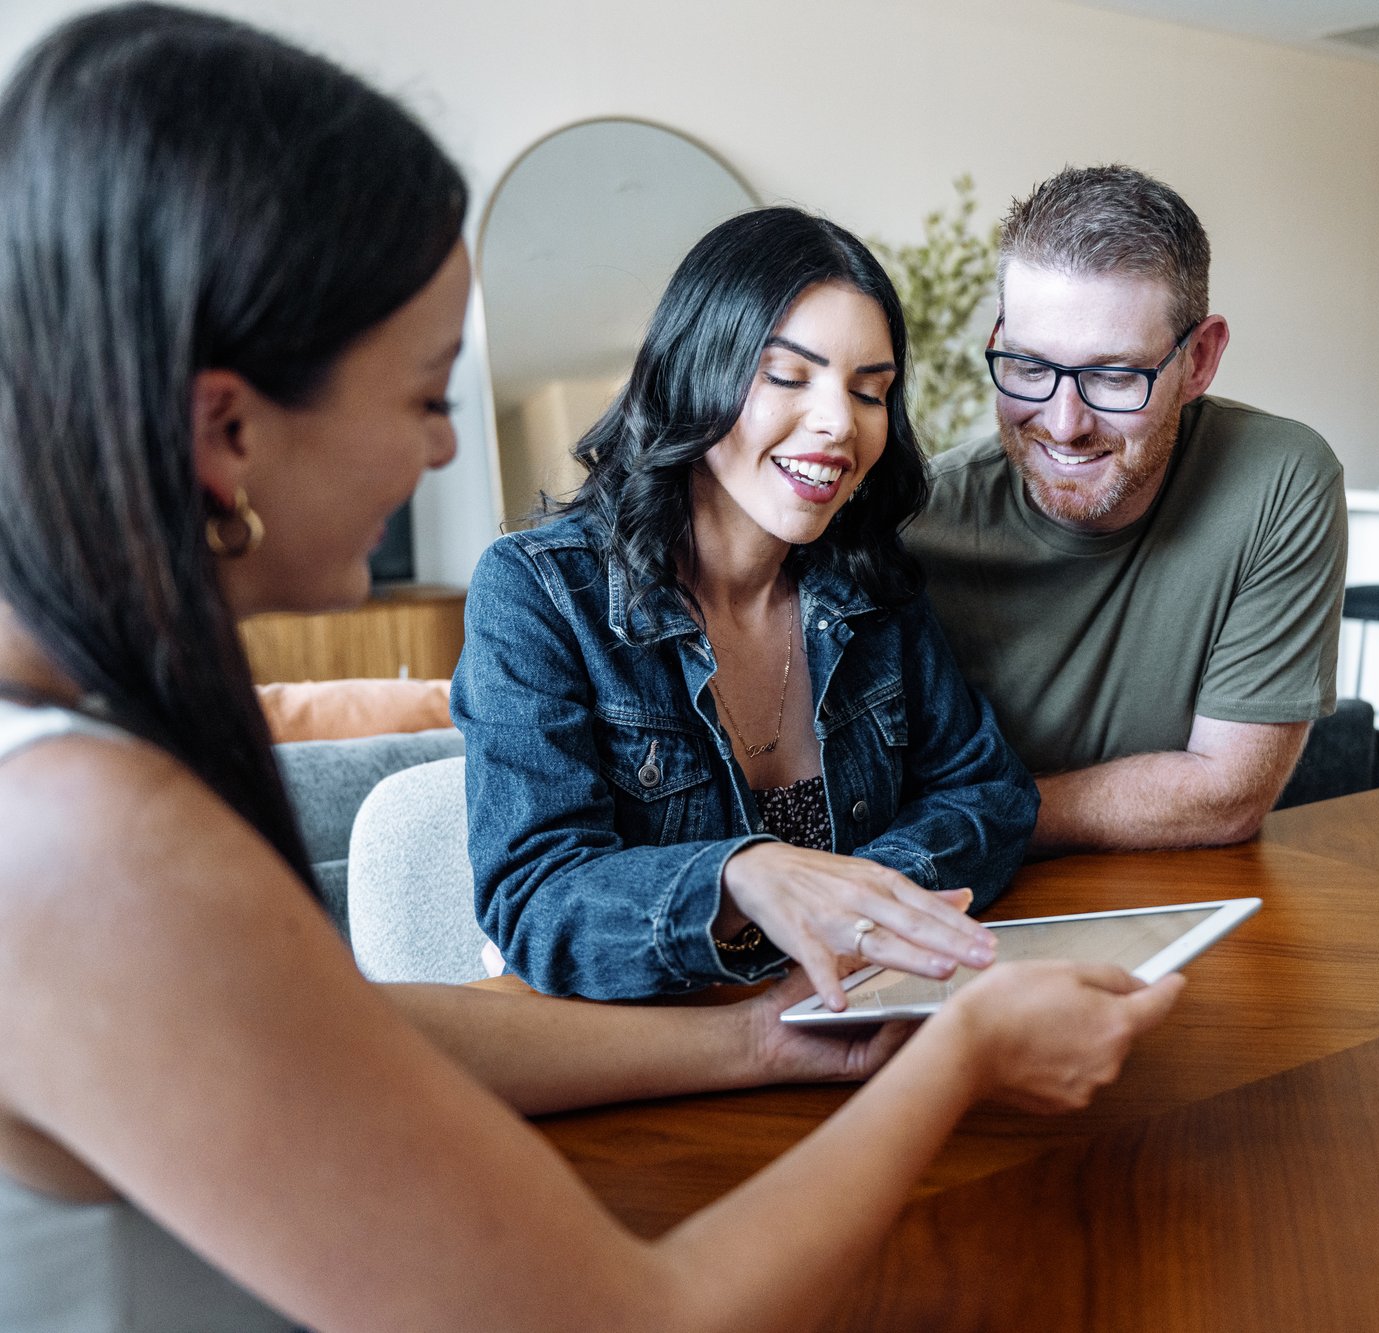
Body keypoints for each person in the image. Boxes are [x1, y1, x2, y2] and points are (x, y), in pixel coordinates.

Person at [0, 8, 1181, 1330]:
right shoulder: (79, 838)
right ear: (226, 427)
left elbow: (355, 1027)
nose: (445, 456)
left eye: (869, 387)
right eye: (429, 393)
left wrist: (769, 1029)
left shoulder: (85, 763)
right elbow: (636, 1313)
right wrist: (953, 1049)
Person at [454, 206, 1040, 1007]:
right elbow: (536, 896)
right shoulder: (540, 593)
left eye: (871, 392)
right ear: (696, 372)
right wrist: (742, 879)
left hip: (844, 1019)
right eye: (789, 376)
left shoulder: (868, 586)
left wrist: (852, 899)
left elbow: (991, 796)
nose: (839, 424)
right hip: (667, 1053)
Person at [905, 164, 1349, 855]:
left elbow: (1227, 795)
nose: (1063, 421)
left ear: (1199, 359)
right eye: (1026, 365)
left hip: (1175, 908)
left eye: (1113, 376)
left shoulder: (1278, 481)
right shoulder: (914, 521)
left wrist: (969, 814)